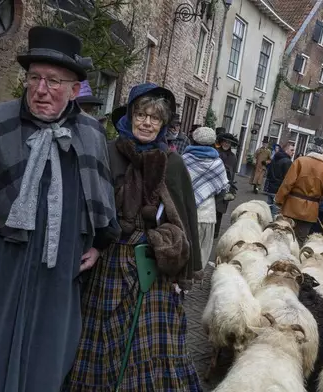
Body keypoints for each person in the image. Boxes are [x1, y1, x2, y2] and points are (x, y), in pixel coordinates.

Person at [0, 26, 120, 392]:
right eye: (34, 77)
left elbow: (102, 201)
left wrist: (99, 244)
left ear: (75, 89)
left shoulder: (92, 135)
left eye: (53, 81)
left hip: (59, 272)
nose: (41, 89)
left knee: (48, 358)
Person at [65, 83, 202, 390]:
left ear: (164, 124)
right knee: (103, 330)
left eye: (155, 118)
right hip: (110, 257)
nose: (147, 122)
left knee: (150, 338)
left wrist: (181, 271)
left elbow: (185, 218)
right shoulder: (108, 152)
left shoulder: (173, 162)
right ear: (129, 114)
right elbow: (88, 204)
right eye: (141, 114)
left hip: (154, 262)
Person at [182, 127, 230, 264]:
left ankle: (180, 279)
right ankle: (196, 276)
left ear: (193, 141)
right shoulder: (217, 163)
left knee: (184, 247)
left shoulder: (183, 160)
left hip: (185, 213)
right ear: (213, 144)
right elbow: (222, 191)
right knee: (203, 249)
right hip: (207, 215)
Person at [275, 146, 323, 243]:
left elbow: (288, 183)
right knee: (300, 239)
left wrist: (279, 200)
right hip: (310, 210)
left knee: (284, 235)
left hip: (292, 206)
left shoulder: (300, 161)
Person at [214, 132, 239, 238]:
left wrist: (230, 187)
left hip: (226, 186)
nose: (226, 144)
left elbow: (233, 173)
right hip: (214, 184)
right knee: (211, 208)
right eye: (225, 142)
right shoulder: (215, 153)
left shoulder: (233, 157)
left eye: (229, 143)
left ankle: (215, 233)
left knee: (219, 211)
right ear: (221, 142)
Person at [264, 142, 295, 217]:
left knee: (268, 212)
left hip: (270, 189)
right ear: (286, 150)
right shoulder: (287, 162)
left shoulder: (274, 158)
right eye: (292, 150)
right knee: (275, 215)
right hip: (278, 191)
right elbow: (288, 179)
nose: (293, 152)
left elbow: (269, 174)